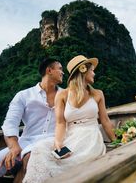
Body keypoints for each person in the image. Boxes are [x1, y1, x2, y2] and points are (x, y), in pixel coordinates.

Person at [23, 55, 116, 183]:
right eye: (92, 70)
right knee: (40, 148)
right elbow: (60, 123)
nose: (94, 74)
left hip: (90, 138)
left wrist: (116, 141)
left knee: (74, 161)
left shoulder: (98, 94)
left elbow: (105, 120)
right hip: (70, 136)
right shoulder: (62, 95)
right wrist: (58, 142)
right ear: (83, 70)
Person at [0, 58, 64, 183]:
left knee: (29, 159)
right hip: (25, 142)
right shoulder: (23, 95)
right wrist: (14, 146)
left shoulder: (66, 95)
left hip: (53, 141)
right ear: (49, 70)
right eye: (60, 69)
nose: (63, 72)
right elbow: (10, 123)